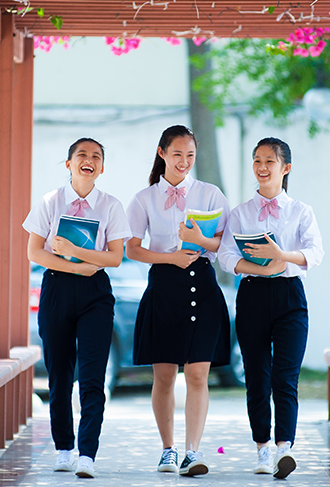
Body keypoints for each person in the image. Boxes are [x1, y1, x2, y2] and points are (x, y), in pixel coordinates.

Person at [125, 125, 231, 477]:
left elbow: (225, 244)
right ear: (162, 154)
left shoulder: (211, 194)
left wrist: (199, 239)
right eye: (177, 154)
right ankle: (168, 450)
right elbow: (133, 248)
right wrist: (170, 257)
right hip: (164, 286)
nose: (184, 161)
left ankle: (193, 452)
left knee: (198, 374)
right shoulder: (144, 198)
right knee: (166, 375)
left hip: (202, 284)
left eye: (190, 155)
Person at [22, 138, 131, 479]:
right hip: (57, 288)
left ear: (101, 168)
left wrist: (76, 253)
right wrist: (75, 263)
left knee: (93, 376)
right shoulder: (50, 202)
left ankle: (87, 454)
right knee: (59, 374)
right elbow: (34, 252)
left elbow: (114, 257)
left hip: (95, 294)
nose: (89, 160)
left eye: (96, 156)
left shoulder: (111, 206)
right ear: (68, 163)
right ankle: (64, 449)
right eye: (82, 155)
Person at [218, 137, 323, 478]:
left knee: (285, 377)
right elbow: (225, 256)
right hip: (252, 295)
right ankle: (262, 448)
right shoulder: (241, 212)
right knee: (257, 378)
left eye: (270, 162)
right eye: (257, 161)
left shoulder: (301, 211)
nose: (262, 168)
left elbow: (315, 253)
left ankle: (284, 449)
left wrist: (280, 256)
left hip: (291, 296)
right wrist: (260, 267)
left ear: (285, 168)